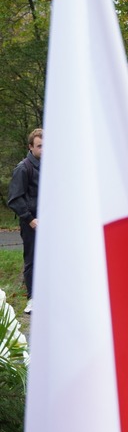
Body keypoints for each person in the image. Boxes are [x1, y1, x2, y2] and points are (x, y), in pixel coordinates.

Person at [7, 128, 43, 314]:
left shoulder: (50, 166)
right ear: (30, 147)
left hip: (49, 220)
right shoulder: (23, 168)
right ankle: (32, 299)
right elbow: (14, 199)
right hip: (32, 222)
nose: (43, 150)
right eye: (39, 146)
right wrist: (30, 219)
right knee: (32, 259)